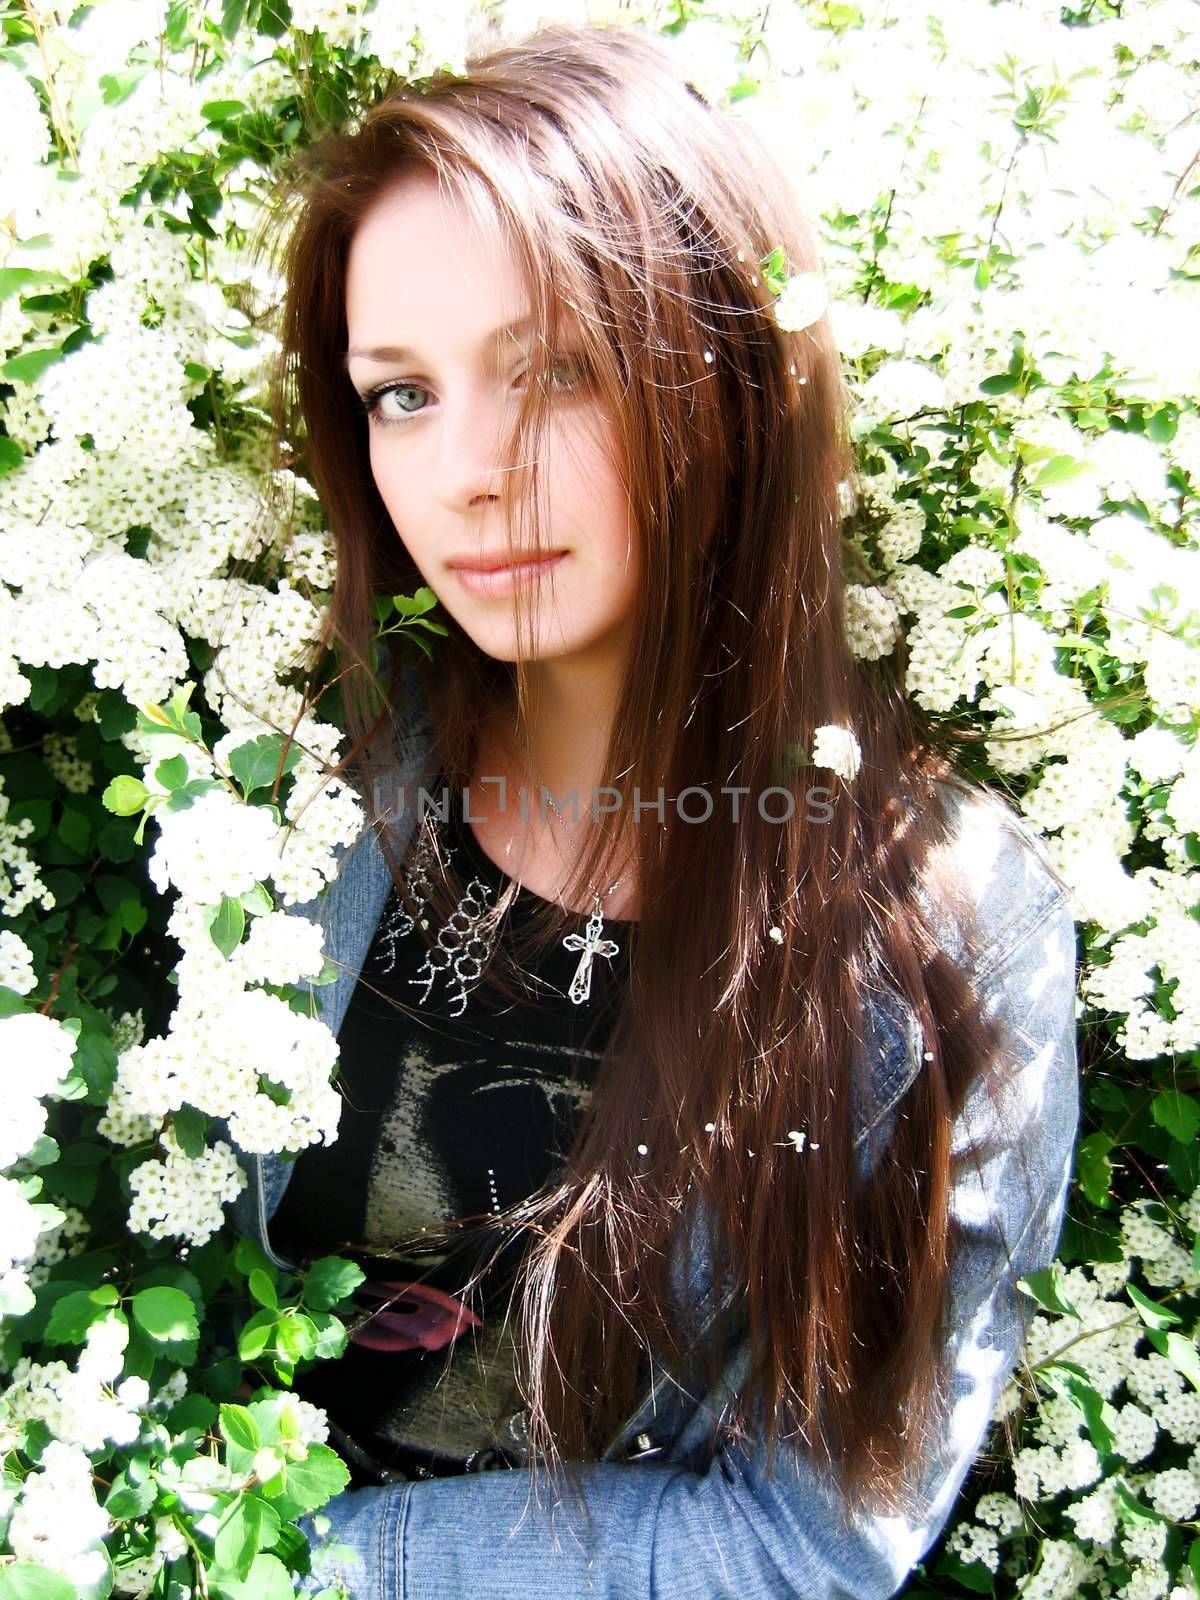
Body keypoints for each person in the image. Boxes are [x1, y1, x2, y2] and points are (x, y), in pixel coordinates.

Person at [229, 20, 1080, 1598]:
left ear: (733, 382)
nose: (471, 470)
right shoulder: (291, 789)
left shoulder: (945, 931)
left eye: (558, 368)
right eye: (400, 394)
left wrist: (273, 1568)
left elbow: (807, 1539)